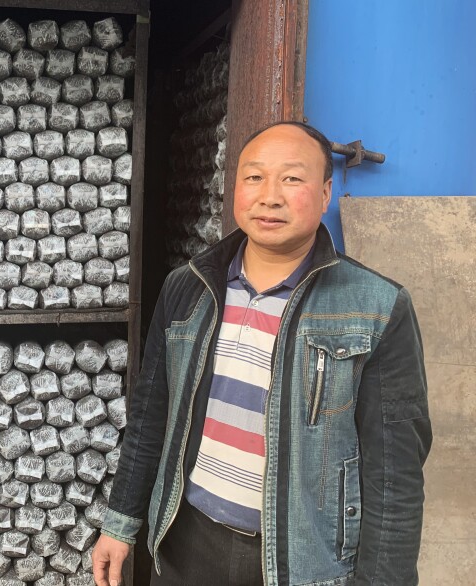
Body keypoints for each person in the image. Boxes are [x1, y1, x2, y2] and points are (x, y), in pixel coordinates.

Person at [91, 122, 432, 586]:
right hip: (186, 544)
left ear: (326, 192)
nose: (270, 196)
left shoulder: (375, 307)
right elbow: (151, 419)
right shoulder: (188, 288)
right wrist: (121, 523)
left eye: (292, 179)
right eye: (254, 177)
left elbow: (394, 476)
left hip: (302, 562)